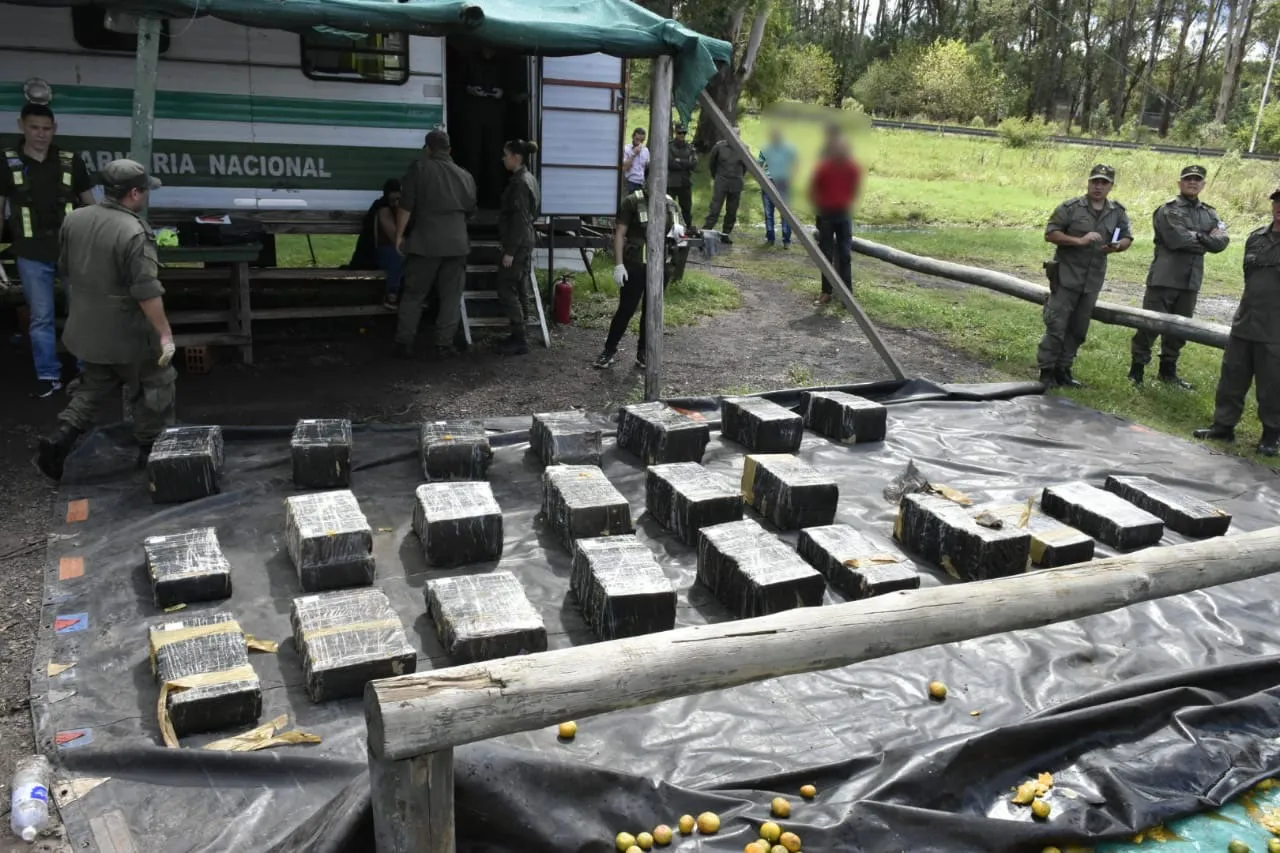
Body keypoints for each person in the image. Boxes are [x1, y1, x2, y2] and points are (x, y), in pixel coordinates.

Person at [35, 159, 174, 481]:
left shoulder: (76, 219)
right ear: (135, 192)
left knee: (94, 385)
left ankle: (59, 441)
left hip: (85, 327)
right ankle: (151, 455)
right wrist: (164, 334)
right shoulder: (134, 232)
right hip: (126, 332)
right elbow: (146, 291)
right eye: (145, 191)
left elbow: (66, 267)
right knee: (155, 383)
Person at [1, 98, 97, 398]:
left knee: (81, 312)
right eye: (34, 127)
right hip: (31, 252)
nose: (41, 134)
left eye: (46, 128)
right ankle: (48, 375)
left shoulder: (70, 160)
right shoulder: (6, 162)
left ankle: (86, 373)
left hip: (71, 249)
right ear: (22, 126)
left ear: (54, 129)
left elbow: (91, 205)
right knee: (41, 316)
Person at [1193, 187, 1280, 456]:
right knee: (1232, 378)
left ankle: (1271, 435)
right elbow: (1249, 277)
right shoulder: (1256, 239)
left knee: (1273, 384)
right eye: (1277, 203)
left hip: (1275, 328)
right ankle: (1223, 426)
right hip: (1246, 320)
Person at [1128, 164, 1229, 389]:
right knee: (1150, 325)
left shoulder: (1210, 213)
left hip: (1191, 280)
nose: (1192, 183)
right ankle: (1136, 371)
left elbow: (1222, 242)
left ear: (1203, 184)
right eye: (1188, 179)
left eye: (1197, 180)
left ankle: (1168, 372)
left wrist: (1196, 237)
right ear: (1179, 183)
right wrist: (1206, 240)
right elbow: (1177, 240)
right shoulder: (1168, 210)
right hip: (1165, 278)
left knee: (1181, 328)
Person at [1038, 164, 1133, 388]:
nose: (1098, 187)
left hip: (1092, 281)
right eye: (1095, 182)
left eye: (1104, 183)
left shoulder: (1116, 211)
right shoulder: (1071, 207)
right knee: (1056, 326)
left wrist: (1117, 246)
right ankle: (1047, 371)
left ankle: (1064, 369)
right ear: (1088, 183)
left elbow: (1128, 237)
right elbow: (1051, 233)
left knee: (1078, 329)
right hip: (1066, 276)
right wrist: (1078, 241)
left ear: (1111, 186)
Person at [393, 129, 477, 359]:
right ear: (449, 149)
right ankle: (444, 344)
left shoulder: (419, 168)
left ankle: (404, 342)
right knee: (451, 296)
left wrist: (399, 235)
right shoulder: (466, 176)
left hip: (425, 243)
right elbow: (471, 211)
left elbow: (406, 206)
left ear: (428, 149)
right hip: (457, 243)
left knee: (414, 294)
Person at [593, 187, 683, 370]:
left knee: (651, 311)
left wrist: (679, 233)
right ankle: (608, 350)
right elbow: (620, 233)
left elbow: (680, 234)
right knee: (626, 309)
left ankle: (643, 352)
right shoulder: (633, 201)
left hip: (661, 267)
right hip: (635, 267)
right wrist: (619, 265)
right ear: (646, 179)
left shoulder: (671, 204)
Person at [495, 139, 540, 356]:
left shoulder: (520, 183)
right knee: (521, 286)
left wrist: (510, 251)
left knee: (506, 286)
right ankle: (520, 334)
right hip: (526, 239)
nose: (503, 159)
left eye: (505, 154)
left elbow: (520, 219)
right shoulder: (529, 179)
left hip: (519, 242)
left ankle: (519, 336)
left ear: (516, 157)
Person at [808, 132, 861, 306]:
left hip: (844, 214)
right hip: (826, 214)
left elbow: (854, 189)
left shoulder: (853, 168)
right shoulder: (823, 167)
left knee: (845, 255)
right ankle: (826, 292)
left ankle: (847, 294)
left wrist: (843, 202)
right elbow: (813, 189)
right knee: (826, 254)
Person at [347, 178, 403, 309]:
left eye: (398, 200)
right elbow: (395, 238)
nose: (395, 203)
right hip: (380, 253)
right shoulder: (383, 209)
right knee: (398, 256)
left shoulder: (404, 209)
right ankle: (391, 294)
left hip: (396, 250)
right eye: (393, 200)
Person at [702, 125, 748, 244]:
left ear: (739, 135)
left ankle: (725, 234)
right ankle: (705, 232)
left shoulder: (744, 148)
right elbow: (712, 163)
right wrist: (716, 177)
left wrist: (739, 177)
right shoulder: (719, 147)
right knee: (715, 208)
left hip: (736, 182)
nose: (734, 137)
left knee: (732, 210)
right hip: (721, 181)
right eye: (732, 134)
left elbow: (746, 167)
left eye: (736, 134)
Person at [757, 126, 798, 248]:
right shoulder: (768, 149)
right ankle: (775, 239)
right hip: (772, 181)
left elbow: (795, 164)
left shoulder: (788, 148)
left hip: (780, 181)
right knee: (774, 212)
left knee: (779, 212)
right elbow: (759, 164)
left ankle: (784, 239)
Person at [667, 123, 697, 227]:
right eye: (680, 133)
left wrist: (679, 161)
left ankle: (687, 228)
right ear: (676, 133)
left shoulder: (690, 147)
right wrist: (685, 163)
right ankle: (668, 228)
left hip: (685, 182)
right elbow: (669, 163)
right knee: (669, 207)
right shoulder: (669, 146)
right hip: (671, 182)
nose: (682, 135)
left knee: (687, 209)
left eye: (684, 133)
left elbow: (693, 164)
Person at [623, 128, 649, 194]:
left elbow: (646, 167)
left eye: (642, 140)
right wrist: (634, 154)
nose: (639, 142)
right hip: (630, 182)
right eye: (637, 139)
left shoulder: (645, 150)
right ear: (633, 137)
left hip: (641, 183)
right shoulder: (626, 149)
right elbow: (624, 168)